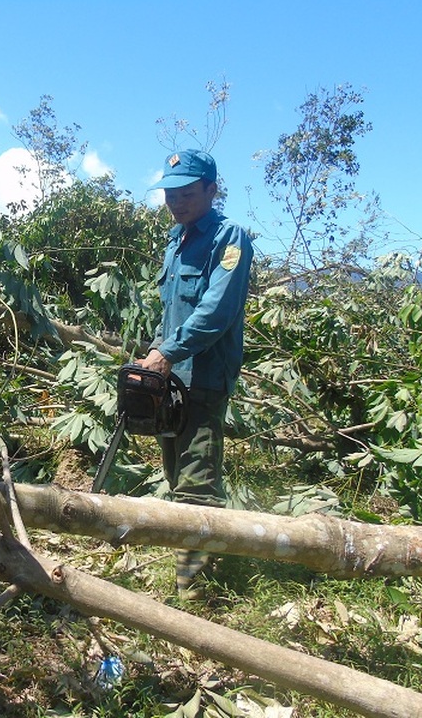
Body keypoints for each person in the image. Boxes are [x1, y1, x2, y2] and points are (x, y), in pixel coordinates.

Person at [139, 149, 253, 600]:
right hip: (171, 377)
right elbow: (171, 310)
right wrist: (155, 347)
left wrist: (168, 351)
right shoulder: (176, 239)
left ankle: (195, 593)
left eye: (187, 192)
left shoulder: (230, 238)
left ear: (211, 189)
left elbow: (216, 311)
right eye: (170, 193)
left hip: (203, 377)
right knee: (174, 470)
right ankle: (192, 557)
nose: (176, 201)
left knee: (197, 480)